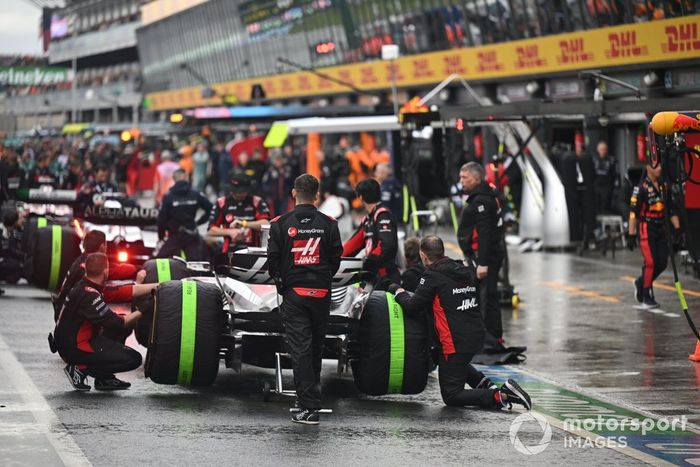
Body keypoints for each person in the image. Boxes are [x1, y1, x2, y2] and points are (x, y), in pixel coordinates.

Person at [390, 236, 531, 410]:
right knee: (445, 359)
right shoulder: (463, 269)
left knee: (451, 395)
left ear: (423, 256)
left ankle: (500, 395)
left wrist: (398, 291)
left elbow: (412, 306)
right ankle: (487, 385)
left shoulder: (432, 275)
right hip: (475, 335)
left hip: (455, 342)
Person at [267, 174, 343, 424]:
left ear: (293, 193)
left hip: (295, 294)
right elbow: (335, 260)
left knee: (300, 350)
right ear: (317, 195)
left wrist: (284, 284)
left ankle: (309, 407)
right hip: (321, 293)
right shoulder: (330, 223)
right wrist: (320, 280)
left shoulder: (280, 223)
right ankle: (309, 400)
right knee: (316, 348)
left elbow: (273, 262)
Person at [54, 253, 143, 391]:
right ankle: (79, 369)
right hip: (74, 348)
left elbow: (121, 295)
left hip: (69, 342)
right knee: (133, 359)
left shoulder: (84, 284)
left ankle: (105, 379)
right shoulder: (89, 295)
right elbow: (118, 323)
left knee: (121, 327)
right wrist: (142, 311)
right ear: (106, 271)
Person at [53, 230, 156, 321]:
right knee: (118, 324)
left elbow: (116, 270)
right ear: (102, 246)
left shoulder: (84, 260)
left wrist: (139, 269)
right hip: (69, 319)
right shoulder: (86, 268)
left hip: (65, 313)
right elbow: (111, 293)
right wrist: (138, 284)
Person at [456, 162, 505, 348]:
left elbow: (485, 233)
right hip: (484, 255)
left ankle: (490, 340)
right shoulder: (486, 194)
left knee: (486, 298)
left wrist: (482, 262)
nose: (461, 181)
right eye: (461, 177)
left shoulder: (482, 201)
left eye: (465, 178)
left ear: (476, 178)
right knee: (487, 296)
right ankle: (492, 337)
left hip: (484, 257)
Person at [627, 161, 680, 309]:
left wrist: (677, 229)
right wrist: (631, 234)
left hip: (661, 228)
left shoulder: (665, 186)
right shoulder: (641, 188)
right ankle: (646, 295)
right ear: (648, 168)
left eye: (660, 166)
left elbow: (671, 210)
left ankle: (641, 281)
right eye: (656, 166)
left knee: (662, 263)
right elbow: (633, 213)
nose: (660, 169)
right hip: (646, 227)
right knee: (650, 262)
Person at [342, 178, 400, 290]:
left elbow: (387, 245)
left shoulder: (382, 214)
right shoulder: (368, 219)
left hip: (386, 277)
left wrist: (369, 261)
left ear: (361, 197)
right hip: (371, 276)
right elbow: (351, 246)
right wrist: (334, 259)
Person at [156, 169, 212, 261]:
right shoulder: (196, 194)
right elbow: (210, 209)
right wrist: (199, 222)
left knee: (162, 261)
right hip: (192, 235)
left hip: (174, 236)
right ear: (185, 177)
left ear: (174, 179)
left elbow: (161, 219)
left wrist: (161, 237)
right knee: (195, 264)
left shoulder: (168, 196)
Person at [207, 174, 270, 252]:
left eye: (242, 192)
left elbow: (266, 224)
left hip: (253, 251)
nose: (238, 194)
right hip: (229, 252)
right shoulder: (222, 203)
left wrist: (244, 224)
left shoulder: (257, 202)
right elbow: (210, 230)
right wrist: (230, 232)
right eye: (236, 191)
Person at [593, 141, 618, 215]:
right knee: (596, 205)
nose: (602, 151)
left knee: (606, 205)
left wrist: (616, 187)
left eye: (604, 149)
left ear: (607, 150)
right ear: (597, 149)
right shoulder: (594, 160)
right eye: (601, 149)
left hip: (607, 186)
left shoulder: (612, 160)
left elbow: (616, 174)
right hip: (596, 186)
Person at [0, 211, 24, 284]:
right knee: (15, 265)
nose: (22, 220)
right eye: (19, 218)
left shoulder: (9, 232)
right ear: (14, 222)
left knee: (17, 266)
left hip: (4, 259)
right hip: (1, 260)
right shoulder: (1, 232)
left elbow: (11, 250)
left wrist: (24, 256)